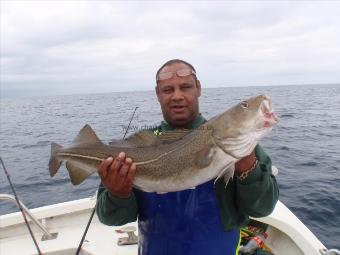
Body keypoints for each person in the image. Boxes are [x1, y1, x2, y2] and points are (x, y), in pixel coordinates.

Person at [96, 59, 279, 255]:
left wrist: (247, 167)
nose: (177, 96)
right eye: (168, 90)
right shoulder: (137, 147)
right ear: (158, 94)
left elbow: (263, 209)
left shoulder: (249, 149)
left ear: (198, 88)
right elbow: (110, 218)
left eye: (185, 87)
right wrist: (118, 194)